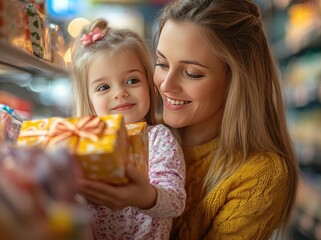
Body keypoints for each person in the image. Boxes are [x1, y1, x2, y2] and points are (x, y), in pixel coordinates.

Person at [152, 0, 300, 239]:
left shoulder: (262, 175)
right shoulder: (143, 135)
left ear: (235, 80)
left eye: (192, 73)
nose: (166, 85)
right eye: (161, 63)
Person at [70, 19, 186, 240]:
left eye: (132, 80)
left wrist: (144, 196)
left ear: (149, 84)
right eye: (104, 87)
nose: (119, 93)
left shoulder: (158, 139)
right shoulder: (84, 144)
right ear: (88, 99)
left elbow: (175, 202)